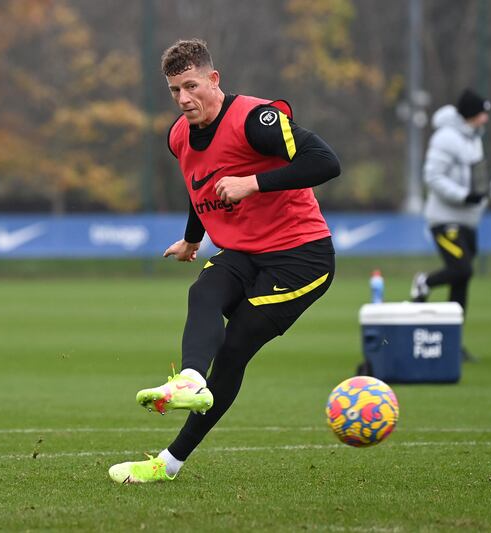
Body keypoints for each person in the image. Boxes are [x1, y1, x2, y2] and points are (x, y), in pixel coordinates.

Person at [109, 39, 340, 483]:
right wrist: (191, 240)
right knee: (204, 292)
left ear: (214, 79)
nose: (183, 99)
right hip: (245, 251)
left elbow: (326, 162)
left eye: (191, 86)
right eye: (175, 90)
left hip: (301, 258)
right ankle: (190, 380)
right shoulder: (179, 135)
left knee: (234, 350)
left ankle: (168, 463)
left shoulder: (257, 119)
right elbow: (199, 187)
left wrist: (253, 182)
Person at [410, 88, 491, 362]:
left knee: (463, 278)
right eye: (482, 113)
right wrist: (463, 195)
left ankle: (453, 343)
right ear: (470, 114)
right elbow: (432, 176)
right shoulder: (446, 137)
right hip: (445, 219)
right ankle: (425, 281)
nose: (486, 119)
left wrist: (478, 198)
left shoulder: (473, 140)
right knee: (461, 268)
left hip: (468, 220)